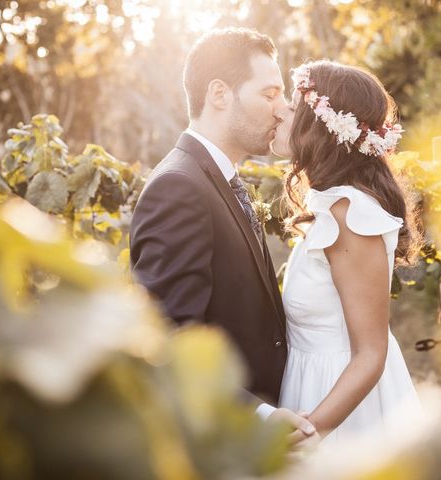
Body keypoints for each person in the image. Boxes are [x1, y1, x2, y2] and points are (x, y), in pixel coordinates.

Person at [129, 27, 316, 444]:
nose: (282, 108)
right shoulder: (178, 187)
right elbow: (168, 342)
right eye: (269, 94)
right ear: (219, 94)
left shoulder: (216, 177)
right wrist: (261, 418)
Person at [271, 60, 423, 443]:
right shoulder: (328, 203)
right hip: (310, 386)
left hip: (343, 410)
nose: (281, 112)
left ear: (318, 125)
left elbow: (371, 353)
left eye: (293, 105)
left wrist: (311, 431)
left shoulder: (351, 214)